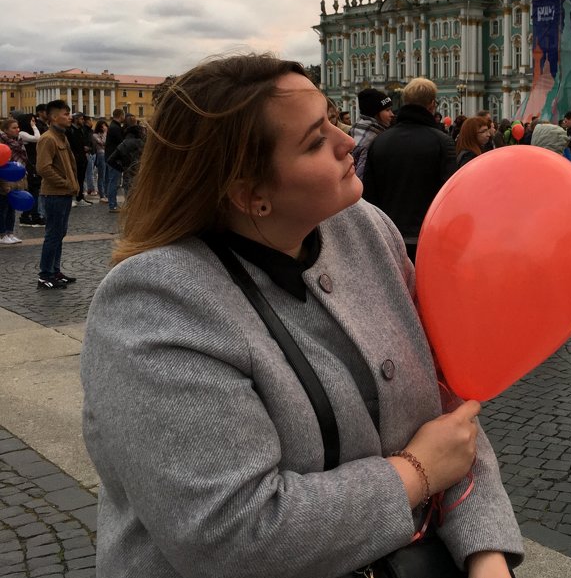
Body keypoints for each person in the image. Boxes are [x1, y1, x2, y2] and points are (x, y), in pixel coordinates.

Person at [80, 55, 522, 577]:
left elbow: (449, 413)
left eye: (333, 119)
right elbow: (231, 533)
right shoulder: (155, 303)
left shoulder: (365, 229)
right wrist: (416, 474)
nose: (348, 142)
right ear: (251, 195)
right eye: (315, 141)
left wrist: (485, 553)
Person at [363, 78, 457, 262]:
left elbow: (369, 194)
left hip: (389, 237)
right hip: (427, 237)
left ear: (405, 102)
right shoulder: (441, 142)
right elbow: (450, 195)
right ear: (432, 105)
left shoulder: (380, 141)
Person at [35, 100, 80, 290]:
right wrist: (66, 184)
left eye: (69, 113)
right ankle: (45, 275)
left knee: (59, 233)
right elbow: (43, 168)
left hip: (63, 194)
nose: (69, 117)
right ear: (54, 117)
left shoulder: (62, 137)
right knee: (53, 235)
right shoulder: (48, 138)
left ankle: (55, 271)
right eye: (65, 114)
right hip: (54, 194)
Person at [349, 88, 395, 180]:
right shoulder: (369, 140)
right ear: (375, 113)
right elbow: (361, 177)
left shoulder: (359, 129)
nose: (392, 114)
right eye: (387, 110)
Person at [0, 117, 29, 244]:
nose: (17, 130)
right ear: (5, 130)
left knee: (12, 208)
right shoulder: (2, 143)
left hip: (16, 178)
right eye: (14, 128)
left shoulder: (18, 142)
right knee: (3, 208)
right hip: (4, 179)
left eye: (18, 127)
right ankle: (2, 234)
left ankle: (10, 233)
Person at [107, 122, 146, 201]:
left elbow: (110, 160)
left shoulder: (123, 144)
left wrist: (121, 168)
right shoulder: (143, 144)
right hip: (141, 174)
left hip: (127, 174)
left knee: (128, 198)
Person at [104, 108, 127, 212]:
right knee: (113, 182)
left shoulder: (113, 126)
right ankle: (112, 205)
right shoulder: (115, 128)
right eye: (123, 115)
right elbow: (122, 142)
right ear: (120, 115)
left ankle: (113, 204)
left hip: (111, 158)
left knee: (113, 182)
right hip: (114, 159)